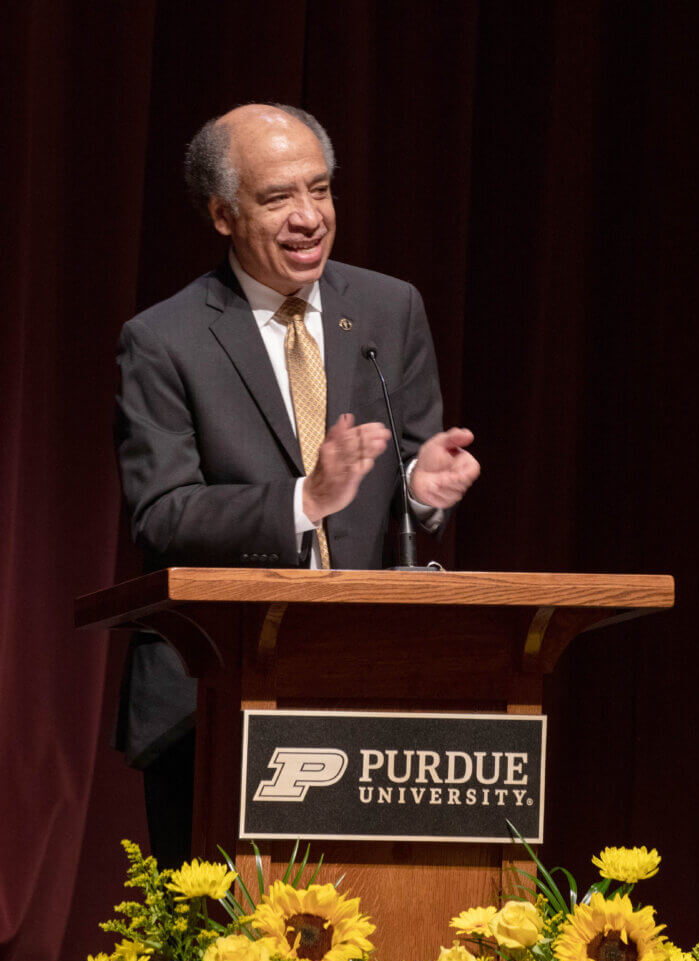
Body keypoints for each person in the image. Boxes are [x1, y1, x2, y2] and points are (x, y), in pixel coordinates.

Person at [114, 103, 480, 866]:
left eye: (320, 190)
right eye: (278, 198)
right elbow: (162, 515)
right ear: (222, 214)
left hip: (360, 680)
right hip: (211, 692)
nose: (309, 217)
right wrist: (300, 501)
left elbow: (408, 464)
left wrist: (423, 487)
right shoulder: (163, 340)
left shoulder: (389, 308)